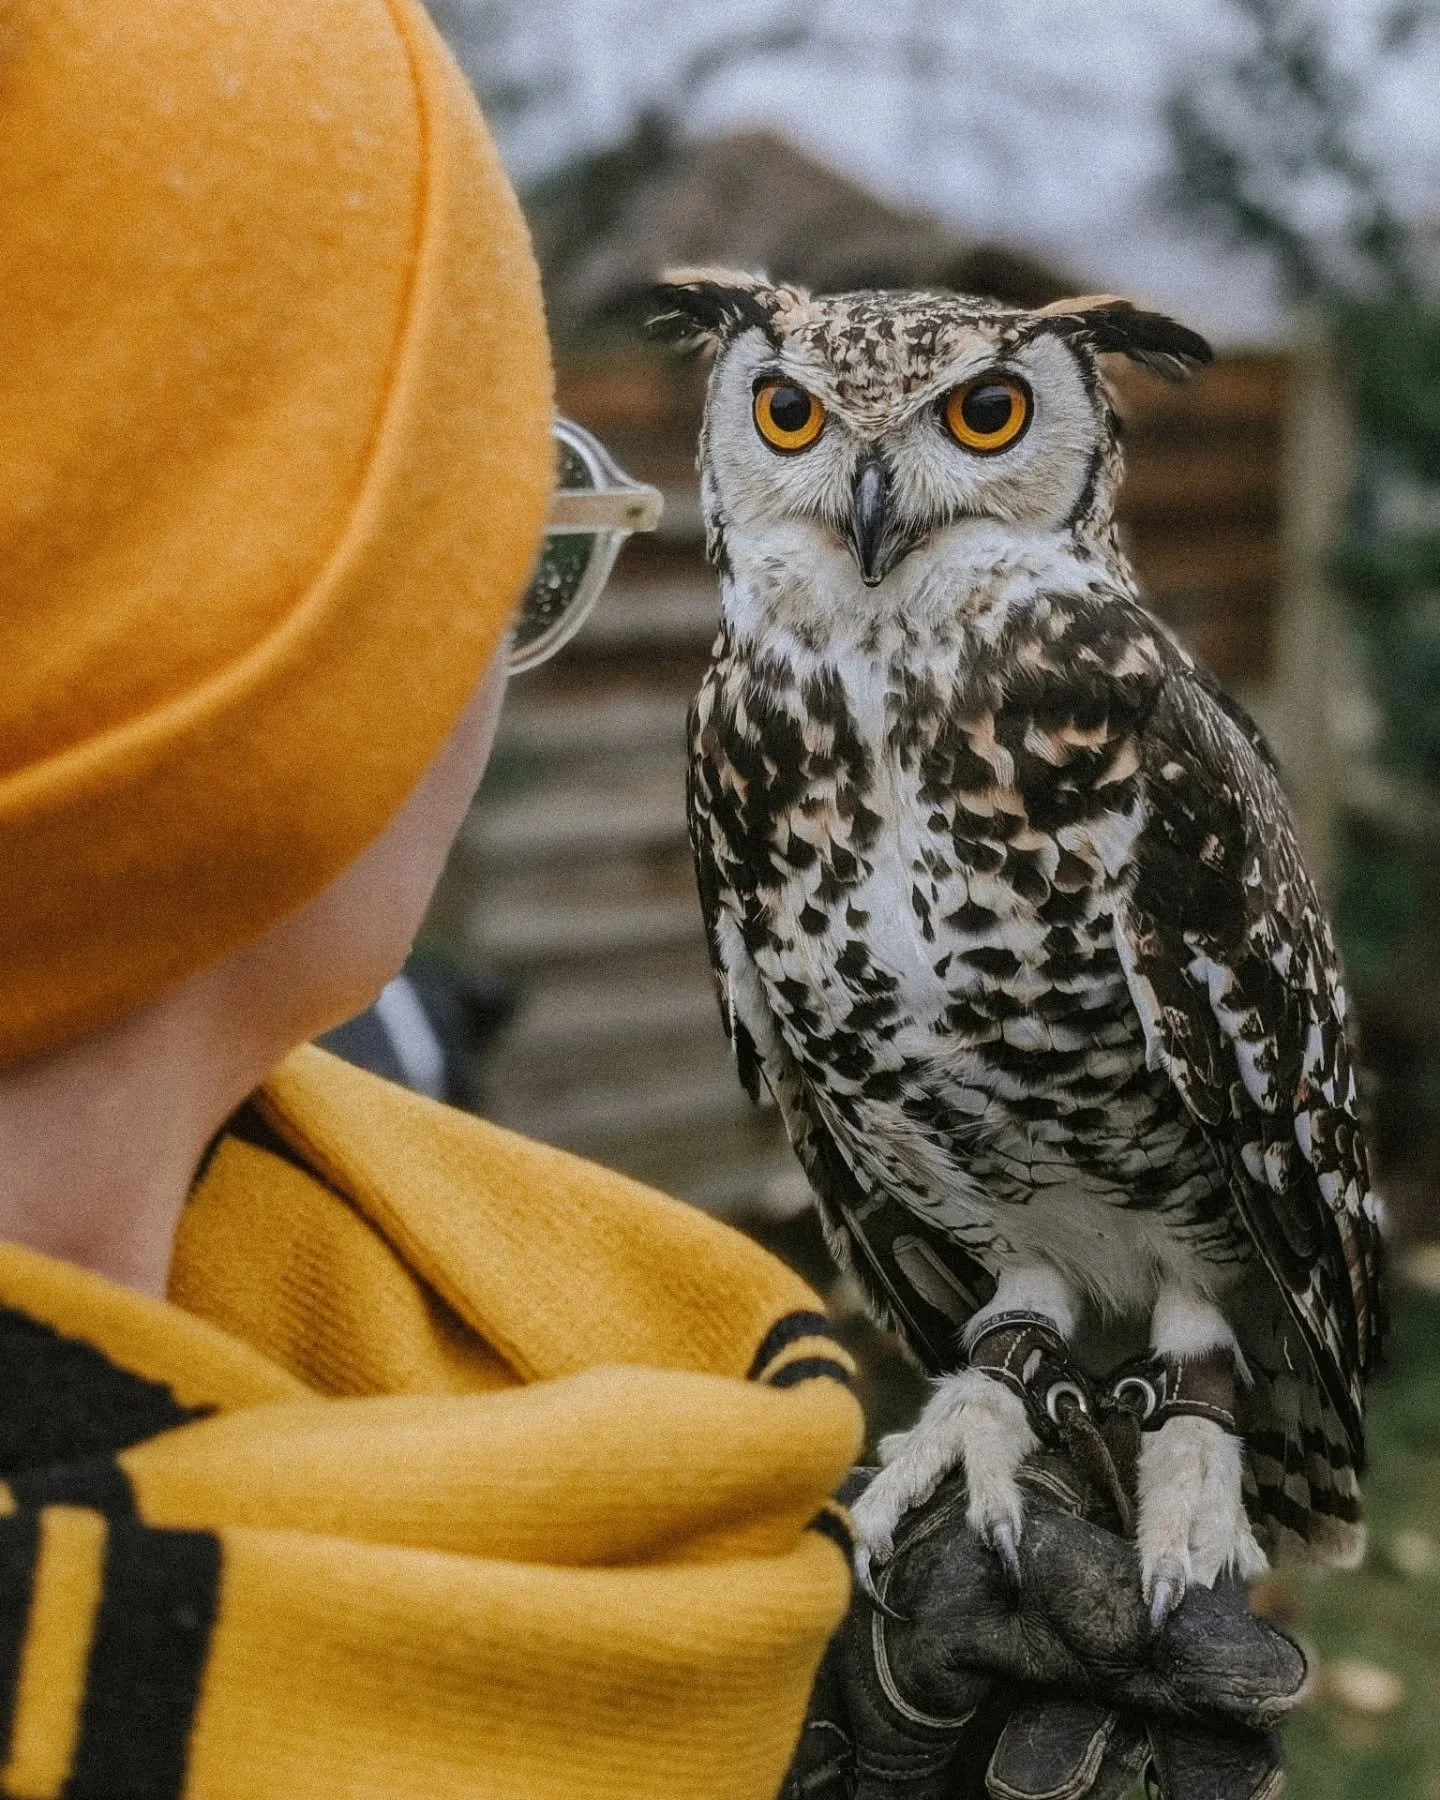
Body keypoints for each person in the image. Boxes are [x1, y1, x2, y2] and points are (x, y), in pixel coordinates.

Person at [0, 4, 1307, 1797]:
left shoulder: (485, 1337)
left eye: (980, 422)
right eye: (503, 524)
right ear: (268, 668)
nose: (857, 484)